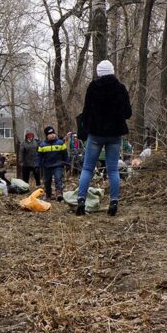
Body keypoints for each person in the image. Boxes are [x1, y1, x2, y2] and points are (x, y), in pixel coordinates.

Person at [76, 60, 132, 216]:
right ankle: (113, 201)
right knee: (113, 169)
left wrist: (85, 131)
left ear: (99, 72)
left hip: (95, 135)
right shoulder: (120, 89)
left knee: (87, 168)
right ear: (112, 71)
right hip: (114, 135)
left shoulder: (93, 88)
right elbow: (128, 113)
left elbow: (86, 112)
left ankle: (81, 200)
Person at [37, 126, 69, 201]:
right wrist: (37, 165)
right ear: (46, 135)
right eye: (50, 134)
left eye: (53, 133)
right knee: (47, 180)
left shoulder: (60, 143)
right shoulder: (42, 145)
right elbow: (39, 156)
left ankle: (59, 193)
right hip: (47, 165)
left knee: (58, 178)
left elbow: (65, 154)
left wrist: (67, 162)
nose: (52, 135)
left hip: (58, 164)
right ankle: (48, 194)